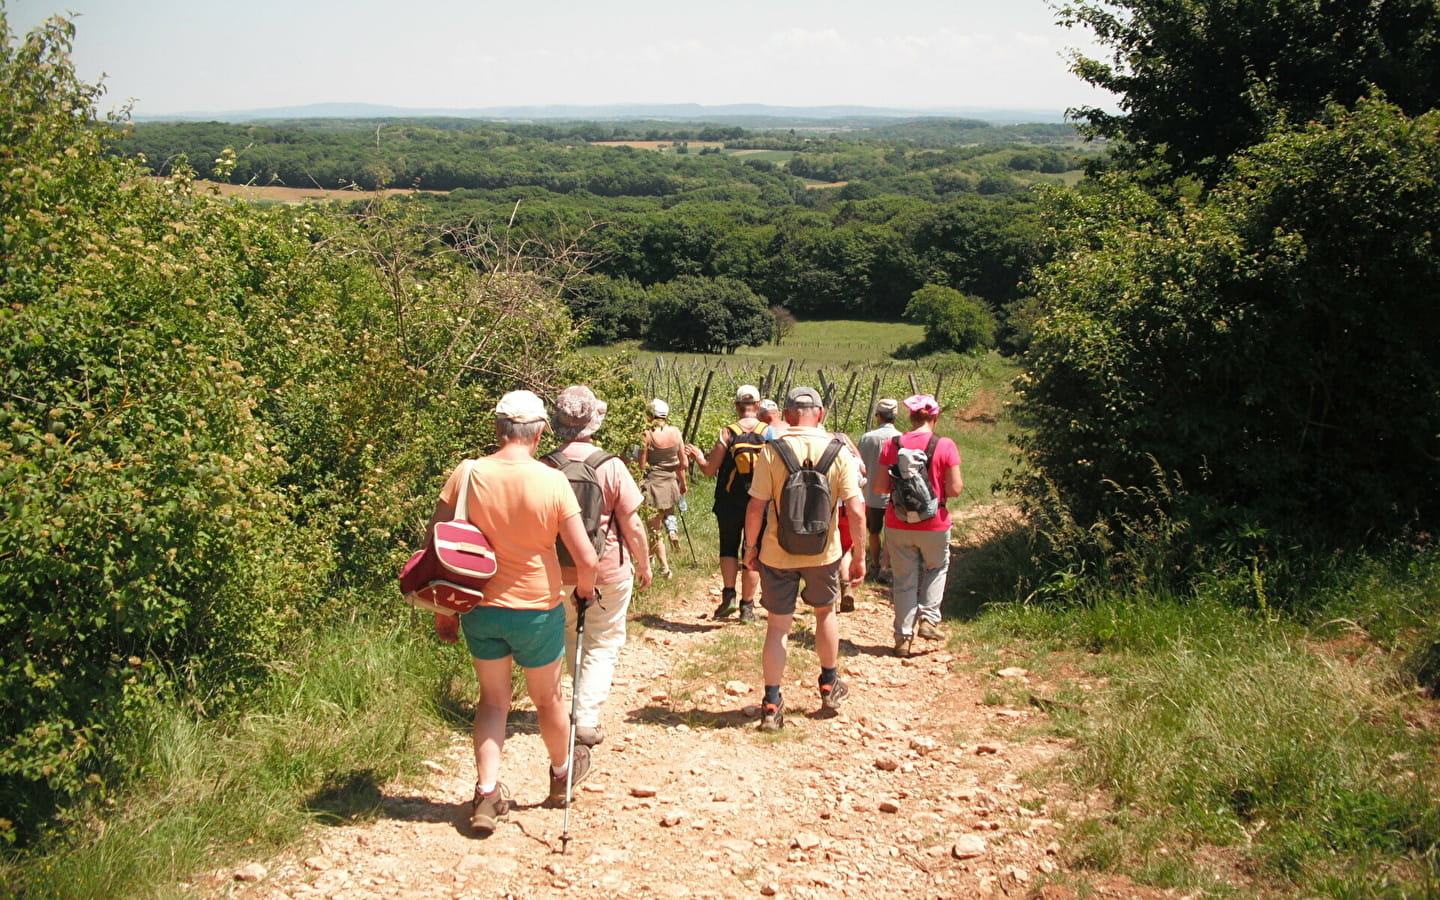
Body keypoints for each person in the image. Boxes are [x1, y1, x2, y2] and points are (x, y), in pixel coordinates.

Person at [429, 389, 599, 836]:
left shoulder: (467, 474)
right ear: (541, 431)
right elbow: (587, 558)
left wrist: (443, 610)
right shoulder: (551, 480)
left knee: (492, 701)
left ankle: (486, 792)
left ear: (498, 428)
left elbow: (438, 546)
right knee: (548, 700)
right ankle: (562, 776)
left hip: (479, 605)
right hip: (537, 609)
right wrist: (584, 593)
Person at [743, 386, 865, 731]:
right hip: (824, 552)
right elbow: (856, 510)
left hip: (776, 551)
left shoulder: (772, 451)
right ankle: (828, 684)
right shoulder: (838, 451)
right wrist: (859, 555)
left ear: (788, 415)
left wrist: (750, 550)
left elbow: (755, 506)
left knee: (778, 625)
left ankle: (771, 703)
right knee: (825, 613)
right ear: (821, 414)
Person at [551, 386, 653, 748]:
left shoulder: (544, 465)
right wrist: (644, 564)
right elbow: (632, 523)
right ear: (593, 422)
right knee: (604, 641)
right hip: (607, 568)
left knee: (568, 633)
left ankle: (571, 703)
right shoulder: (611, 466)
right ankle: (586, 717)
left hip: (555, 572)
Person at [872, 393, 963, 659]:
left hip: (898, 522)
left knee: (904, 580)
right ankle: (929, 620)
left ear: (910, 417)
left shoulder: (893, 443)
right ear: (935, 416)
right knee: (936, 567)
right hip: (935, 522)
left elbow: (879, 487)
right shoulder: (945, 445)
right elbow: (955, 489)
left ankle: (902, 638)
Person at [685, 384, 766, 621]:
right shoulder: (768, 432)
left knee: (728, 548)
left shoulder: (728, 432)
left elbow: (710, 470)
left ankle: (729, 595)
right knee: (753, 551)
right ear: (758, 406)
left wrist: (699, 456)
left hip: (730, 502)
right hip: (759, 503)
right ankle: (748, 607)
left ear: (737, 406)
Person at [639, 398, 687, 579]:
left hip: (653, 485)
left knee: (653, 529)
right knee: (666, 517)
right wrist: (680, 480)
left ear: (650, 415)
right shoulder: (675, 432)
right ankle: (656, 552)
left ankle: (664, 568)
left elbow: (642, 466)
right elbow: (684, 463)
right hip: (670, 483)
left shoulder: (647, 434)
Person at [857, 398, 902, 585]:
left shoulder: (867, 438)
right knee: (891, 533)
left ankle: (874, 563)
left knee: (873, 532)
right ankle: (887, 567)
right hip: (894, 496)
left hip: (872, 495)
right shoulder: (901, 438)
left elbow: (860, 463)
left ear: (878, 416)